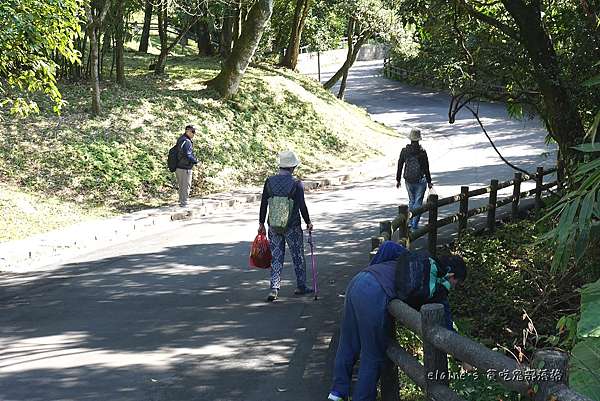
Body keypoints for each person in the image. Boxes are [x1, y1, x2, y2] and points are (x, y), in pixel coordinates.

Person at [327, 241, 468, 401]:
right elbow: (446, 325)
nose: (454, 288)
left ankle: (337, 393)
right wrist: (462, 358)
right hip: (375, 295)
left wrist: (374, 269)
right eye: (457, 283)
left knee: (347, 342)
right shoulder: (438, 290)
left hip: (359, 281)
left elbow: (388, 246)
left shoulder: (422, 258)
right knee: (372, 355)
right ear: (451, 276)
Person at [258, 151, 313, 302]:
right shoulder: (296, 184)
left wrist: (261, 223)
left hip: (274, 225)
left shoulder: (269, 181)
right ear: (293, 167)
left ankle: (274, 288)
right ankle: (301, 286)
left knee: (276, 256)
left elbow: (264, 203)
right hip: (292, 226)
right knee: (297, 256)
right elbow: (302, 206)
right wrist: (308, 222)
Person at [396, 128, 433, 230]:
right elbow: (426, 168)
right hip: (420, 180)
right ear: (419, 139)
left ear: (410, 139)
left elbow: (400, 165)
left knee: (411, 201)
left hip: (408, 180)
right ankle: (414, 224)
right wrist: (429, 181)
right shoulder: (422, 152)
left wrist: (398, 179)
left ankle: (409, 221)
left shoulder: (404, 151)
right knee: (418, 202)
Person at [175, 124, 199, 208]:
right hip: (185, 167)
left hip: (179, 166)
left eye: (194, 132)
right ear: (187, 131)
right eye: (192, 131)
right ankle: (184, 203)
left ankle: (182, 202)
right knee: (185, 186)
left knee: (181, 186)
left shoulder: (181, 139)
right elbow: (187, 155)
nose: (193, 134)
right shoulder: (187, 141)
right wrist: (195, 161)